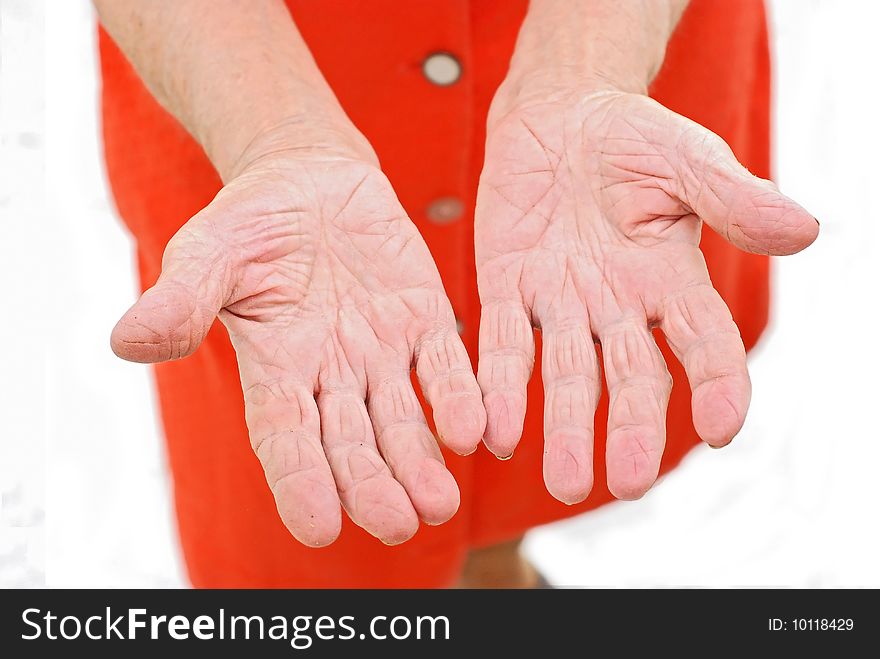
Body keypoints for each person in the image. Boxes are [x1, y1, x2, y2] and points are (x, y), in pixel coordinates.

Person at [95, 0, 818, 588]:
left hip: (603, 49)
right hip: (249, 77)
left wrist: (582, 66)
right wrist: (274, 137)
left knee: (536, 408)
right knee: (321, 472)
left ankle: (493, 571)